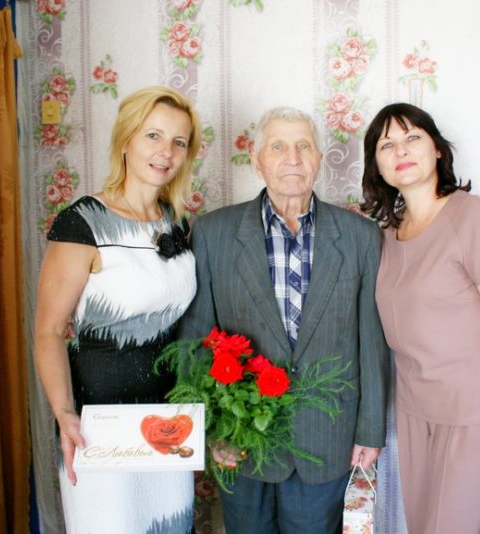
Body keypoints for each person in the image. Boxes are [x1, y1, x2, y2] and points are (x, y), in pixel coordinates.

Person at [180, 106, 390, 534]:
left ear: (319, 159)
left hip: (327, 437)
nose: (292, 158)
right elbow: (196, 339)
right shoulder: (213, 233)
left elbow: (372, 342)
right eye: (277, 147)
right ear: (256, 160)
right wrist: (211, 430)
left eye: (303, 146)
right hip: (241, 438)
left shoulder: (361, 236)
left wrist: (370, 430)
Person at [34, 85, 202, 533]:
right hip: (98, 420)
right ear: (126, 140)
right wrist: (64, 413)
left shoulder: (177, 223)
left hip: (167, 420)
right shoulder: (83, 222)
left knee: (169, 526)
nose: (165, 152)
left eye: (179, 141)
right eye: (153, 135)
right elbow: (48, 331)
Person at [361, 103, 480, 534]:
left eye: (412, 138)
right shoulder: (388, 235)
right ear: (377, 165)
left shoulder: (472, 217)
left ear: (437, 149)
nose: (401, 150)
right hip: (414, 413)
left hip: (472, 417)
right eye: (387, 145)